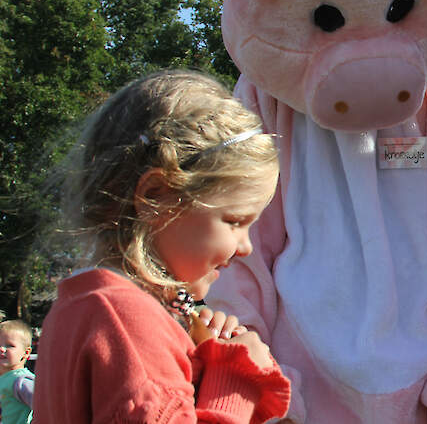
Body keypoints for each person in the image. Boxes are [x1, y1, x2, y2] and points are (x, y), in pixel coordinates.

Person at [31, 70, 290, 423]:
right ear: (155, 198)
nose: (245, 247)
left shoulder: (82, 307)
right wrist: (235, 378)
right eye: (234, 221)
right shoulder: (127, 320)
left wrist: (201, 358)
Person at [0, 320, 34, 424]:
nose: (1, 349)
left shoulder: (21, 381)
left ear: (26, 352)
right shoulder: (4, 378)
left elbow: (46, 406)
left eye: (10, 345)